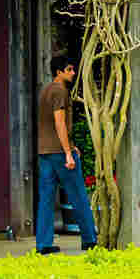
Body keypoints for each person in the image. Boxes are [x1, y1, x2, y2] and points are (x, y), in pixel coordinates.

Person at [35, 54, 97, 254]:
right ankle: (89, 240)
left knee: (45, 198)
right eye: (69, 69)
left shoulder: (46, 91)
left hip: (45, 151)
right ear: (58, 72)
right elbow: (59, 123)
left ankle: (43, 244)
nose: (73, 73)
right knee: (78, 194)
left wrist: (71, 145)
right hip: (60, 153)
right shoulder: (60, 91)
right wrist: (68, 152)